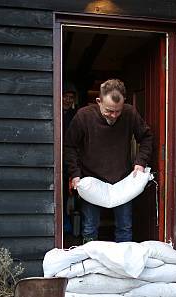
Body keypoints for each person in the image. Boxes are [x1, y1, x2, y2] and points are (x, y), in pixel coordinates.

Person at [64, 79, 153, 243]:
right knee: (90, 229)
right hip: (92, 180)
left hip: (122, 182)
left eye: (117, 111)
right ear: (99, 101)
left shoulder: (130, 113)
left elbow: (146, 137)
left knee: (125, 228)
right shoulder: (83, 116)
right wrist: (75, 174)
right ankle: (92, 266)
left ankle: (122, 266)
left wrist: (140, 162)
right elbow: (69, 147)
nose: (114, 116)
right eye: (109, 111)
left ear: (123, 103)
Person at [62, 88, 78, 236]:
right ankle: (64, 223)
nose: (67, 100)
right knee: (60, 194)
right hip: (58, 158)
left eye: (70, 97)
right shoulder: (56, 113)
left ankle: (70, 225)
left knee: (74, 193)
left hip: (72, 159)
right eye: (65, 96)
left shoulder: (75, 115)